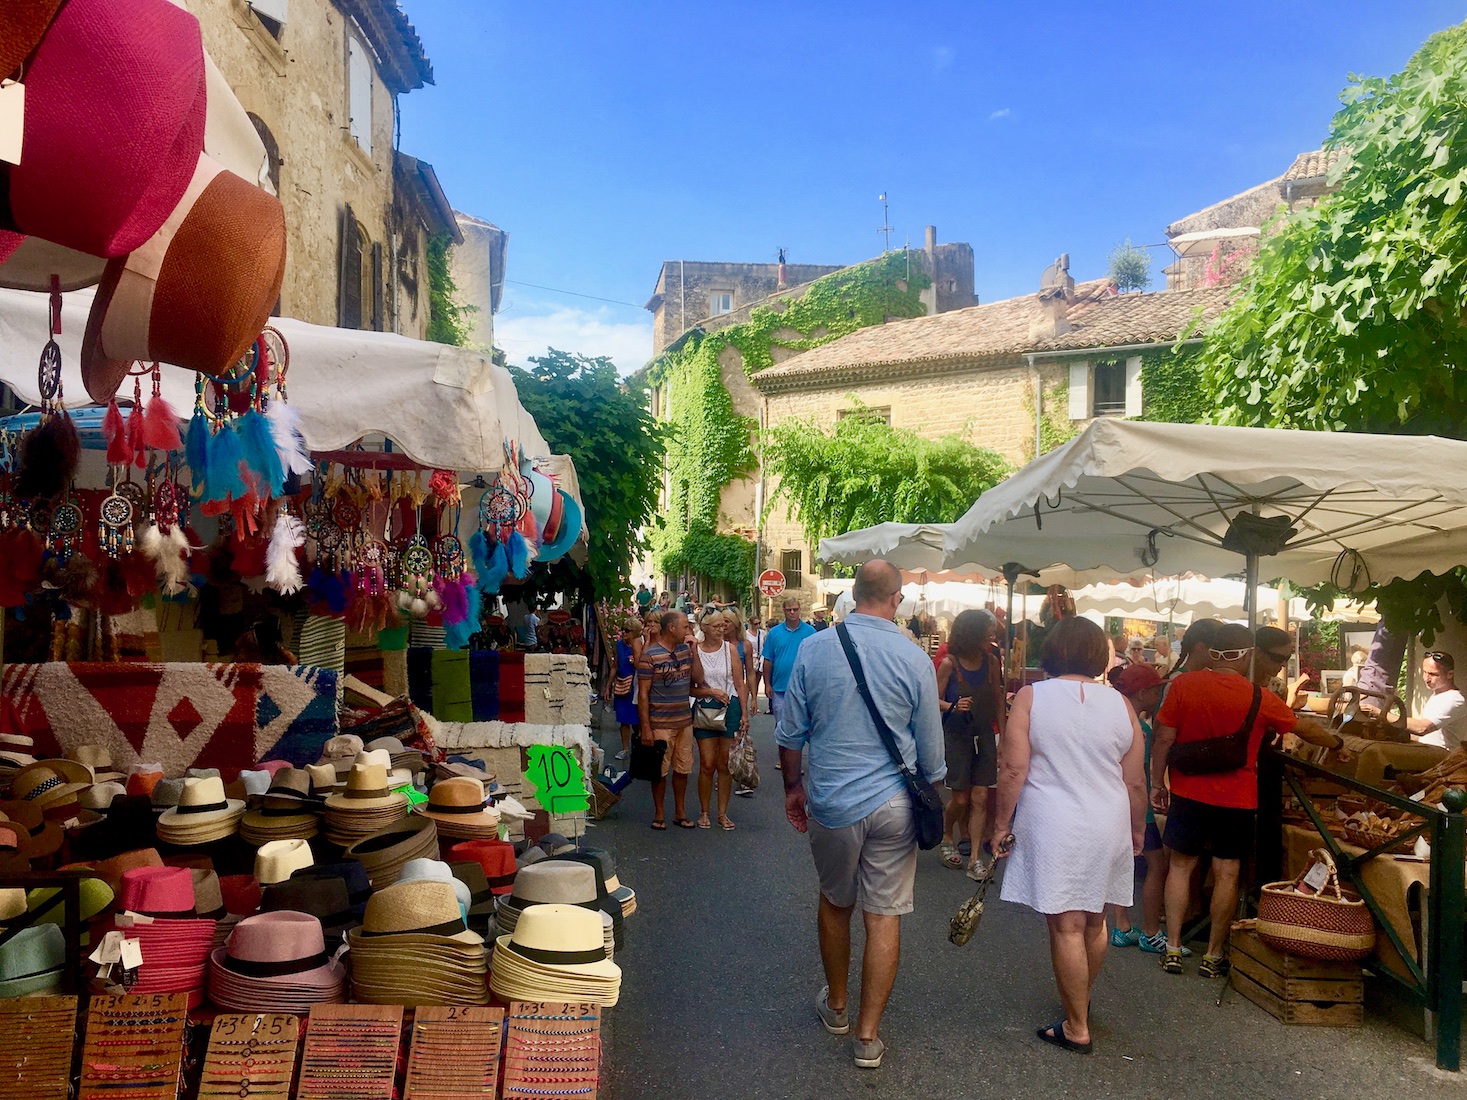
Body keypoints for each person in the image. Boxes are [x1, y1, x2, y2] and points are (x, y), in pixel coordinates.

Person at [777, 560, 944, 1070]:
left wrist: (792, 789)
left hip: (832, 800)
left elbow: (789, 735)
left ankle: (837, 1005)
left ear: (853, 595)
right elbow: (933, 757)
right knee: (885, 914)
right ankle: (868, 1037)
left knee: (834, 902)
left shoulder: (814, 647)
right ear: (896, 600)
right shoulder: (915, 659)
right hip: (895, 803)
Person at [991, 616, 1147, 1056]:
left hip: (1053, 817)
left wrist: (1001, 824)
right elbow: (1134, 781)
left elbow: (1013, 768)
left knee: (1066, 924)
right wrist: (1137, 830)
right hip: (1108, 818)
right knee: (1094, 920)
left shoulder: (1031, 696)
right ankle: (1080, 1000)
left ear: (1052, 651)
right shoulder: (1122, 705)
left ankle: (1076, 1025)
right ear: (1100, 655)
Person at [1150, 623, 1343, 977]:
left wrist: (1156, 782)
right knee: (1227, 873)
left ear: (1212, 653)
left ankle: (1174, 947)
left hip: (1189, 791)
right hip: (1237, 798)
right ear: (1246, 655)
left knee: (1180, 866)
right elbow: (1305, 729)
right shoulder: (1259, 697)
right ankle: (1213, 955)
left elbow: (1164, 738)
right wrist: (1337, 744)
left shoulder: (1183, 685)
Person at [1105, 663, 1178, 954]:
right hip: (1134, 803)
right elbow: (1136, 775)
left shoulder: (1111, 717)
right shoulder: (1138, 726)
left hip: (1112, 801)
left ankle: (1122, 926)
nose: (1160, 695)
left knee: (1121, 862)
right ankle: (1150, 931)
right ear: (1144, 692)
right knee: (1156, 864)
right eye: (1158, 690)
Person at [935, 609, 1006, 881]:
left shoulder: (991, 661)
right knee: (961, 798)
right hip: (957, 734)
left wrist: (1004, 736)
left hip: (985, 734)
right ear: (972, 634)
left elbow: (999, 698)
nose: (991, 638)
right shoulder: (949, 664)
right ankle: (946, 831)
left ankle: (975, 859)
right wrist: (952, 705)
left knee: (980, 797)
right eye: (987, 634)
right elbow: (932, 699)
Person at [636, 610, 706, 830]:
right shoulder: (651, 655)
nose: (689, 630)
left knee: (683, 768)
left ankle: (680, 811)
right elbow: (643, 694)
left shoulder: (686, 651)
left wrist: (694, 651)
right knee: (659, 771)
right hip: (660, 723)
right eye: (685, 626)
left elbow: (698, 679)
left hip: (684, 721)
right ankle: (659, 813)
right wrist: (645, 726)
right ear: (672, 628)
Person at [693, 611, 749, 830]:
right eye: (716, 626)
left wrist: (744, 713)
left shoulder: (730, 649)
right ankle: (704, 811)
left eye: (723, 626)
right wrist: (712, 692)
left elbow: (739, 682)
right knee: (707, 763)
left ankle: (722, 813)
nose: (721, 629)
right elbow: (691, 686)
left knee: (724, 764)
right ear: (704, 627)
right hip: (705, 707)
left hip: (730, 707)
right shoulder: (695, 649)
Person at [763, 598, 816, 738]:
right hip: (779, 688)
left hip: (804, 689)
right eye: (789, 610)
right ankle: (783, 759)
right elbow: (768, 660)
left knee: (807, 727)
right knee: (781, 727)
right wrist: (767, 684)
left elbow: (816, 660)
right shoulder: (774, 633)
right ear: (784, 611)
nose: (792, 612)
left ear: (799, 610)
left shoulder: (810, 632)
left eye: (795, 609)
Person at [1410, 650, 1465, 749]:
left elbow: (1422, 728)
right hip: (1429, 755)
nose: (1426, 678)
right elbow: (1426, 737)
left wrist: (1379, 712)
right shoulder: (1437, 695)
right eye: (1424, 672)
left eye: (1433, 674)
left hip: (1444, 761)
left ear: (1450, 674)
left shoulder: (1454, 699)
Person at [610, 618, 643, 761]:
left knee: (638, 720)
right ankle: (625, 748)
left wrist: (635, 660)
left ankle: (639, 748)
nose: (624, 632)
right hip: (623, 685)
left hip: (636, 686)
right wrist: (608, 686)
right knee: (624, 719)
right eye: (623, 629)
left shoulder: (641, 645)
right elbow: (615, 665)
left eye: (627, 631)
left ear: (635, 633)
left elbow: (642, 667)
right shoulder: (619, 645)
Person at [1253, 626, 1308, 708]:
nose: (1284, 664)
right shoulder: (1236, 680)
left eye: (1287, 659)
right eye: (1278, 658)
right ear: (1258, 653)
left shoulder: (1279, 688)